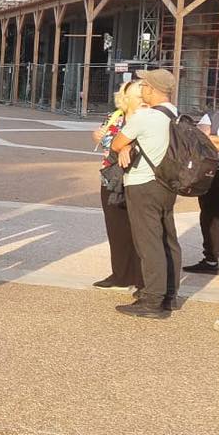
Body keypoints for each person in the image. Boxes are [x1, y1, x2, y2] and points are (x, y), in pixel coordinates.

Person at [111, 69, 184, 317]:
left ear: (152, 90)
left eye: (144, 85)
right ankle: (170, 294)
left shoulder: (145, 116)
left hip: (143, 184)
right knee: (167, 238)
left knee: (148, 241)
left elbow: (116, 143)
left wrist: (127, 144)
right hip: (167, 183)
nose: (142, 89)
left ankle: (152, 299)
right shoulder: (177, 115)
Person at [91, 79, 144, 296]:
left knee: (140, 230)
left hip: (138, 179)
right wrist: (98, 136)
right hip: (112, 179)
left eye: (144, 95)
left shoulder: (148, 118)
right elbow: (106, 141)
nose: (142, 99)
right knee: (116, 228)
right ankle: (121, 274)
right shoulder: (116, 116)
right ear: (126, 98)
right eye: (137, 95)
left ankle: (142, 277)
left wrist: (128, 145)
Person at [184, 102, 219, 275]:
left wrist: (212, 139)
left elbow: (206, 140)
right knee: (209, 216)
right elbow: (198, 140)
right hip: (215, 173)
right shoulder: (213, 115)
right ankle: (210, 260)